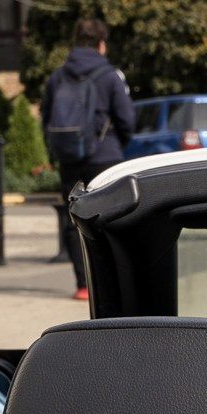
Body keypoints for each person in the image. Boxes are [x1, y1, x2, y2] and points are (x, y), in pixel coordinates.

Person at [38, 17, 135, 300]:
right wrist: (115, 144)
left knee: (74, 217)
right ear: (101, 44)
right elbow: (126, 120)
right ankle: (112, 283)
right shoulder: (110, 76)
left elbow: (45, 117)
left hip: (69, 158)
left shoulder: (57, 77)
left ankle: (83, 285)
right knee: (111, 218)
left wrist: (57, 151)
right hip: (105, 157)